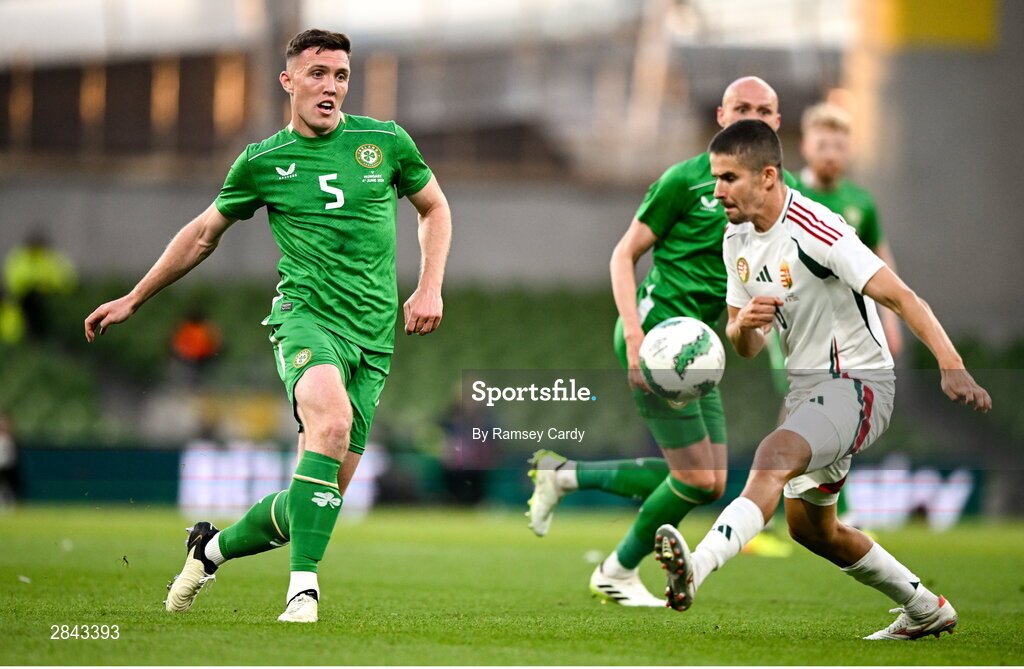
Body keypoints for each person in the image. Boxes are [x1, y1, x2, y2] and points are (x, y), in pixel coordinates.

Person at [84, 29, 452, 623]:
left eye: (340, 75)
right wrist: (136, 296)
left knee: (318, 496)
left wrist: (430, 283)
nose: (330, 86)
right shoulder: (261, 161)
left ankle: (208, 550)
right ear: (288, 81)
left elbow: (434, 207)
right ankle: (302, 591)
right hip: (305, 319)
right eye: (317, 74)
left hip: (373, 338)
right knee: (329, 424)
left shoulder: (386, 142)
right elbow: (204, 234)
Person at [654, 119, 990, 640]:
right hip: (808, 391)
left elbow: (901, 296)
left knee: (772, 456)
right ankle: (926, 607)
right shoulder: (735, 239)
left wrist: (951, 364)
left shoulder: (820, 229)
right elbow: (744, 345)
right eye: (715, 178)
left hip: (860, 384)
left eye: (727, 178)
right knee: (814, 531)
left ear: (767, 176)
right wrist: (744, 324)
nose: (716, 191)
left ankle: (693, 569)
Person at [526, 77, 793, 607]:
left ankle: (566, 476)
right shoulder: (686, 180)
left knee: (709, 482)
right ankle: (616, 570)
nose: (754, 115)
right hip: (660, 341)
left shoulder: (773, 195)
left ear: (779, 123)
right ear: (721, 115)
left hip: (702, 348)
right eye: (743, 107)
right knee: (695, 478)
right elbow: (623, 254)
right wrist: (633, 334)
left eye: (765, 109)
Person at [795, 102, 903, 357]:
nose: (831, 154)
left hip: (847, 320)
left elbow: (881, 261)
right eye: (822, 145)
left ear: (850, 150)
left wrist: (891, 320)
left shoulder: (861, 202)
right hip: (795, 315)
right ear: (804, 147)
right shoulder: (786, 193)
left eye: (839, 146)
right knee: (803, 390)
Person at [4, 229, 77, 339]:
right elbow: (13, 280)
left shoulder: (50, 257)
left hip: (48, 298)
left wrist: (46, 286)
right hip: (25, 299)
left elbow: (65, 278)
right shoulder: (20, 258)